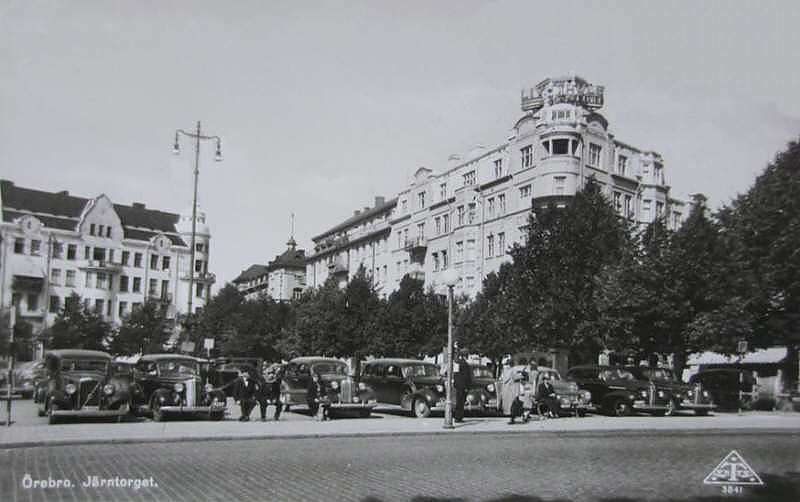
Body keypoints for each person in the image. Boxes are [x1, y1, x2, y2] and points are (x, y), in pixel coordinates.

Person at [452, 349, 472, 423]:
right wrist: (467, 386)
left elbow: (455, 375)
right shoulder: (465, 364)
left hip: (458, 385)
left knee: (459, 401)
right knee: (461, 401)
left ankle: (458, 416)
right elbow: (466, 376)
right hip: (463, 385)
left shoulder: (457, 363)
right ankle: (459, 417)